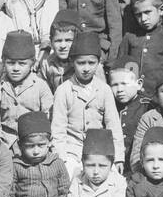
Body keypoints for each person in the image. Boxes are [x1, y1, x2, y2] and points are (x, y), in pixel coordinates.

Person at [49, 27, 125, 175]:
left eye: (91, 63)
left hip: (99, 149)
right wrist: (61, 158)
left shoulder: (104, 90)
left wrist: (118, 158)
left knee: (114, 180)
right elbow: (58, 130)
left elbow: (113, 125)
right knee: (70, 177)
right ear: (72, 62)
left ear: (98, 62)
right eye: (81, 63)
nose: (86, 68)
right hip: (72, 150)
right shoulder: (64, 90)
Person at [0, 30, 53, 146]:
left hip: (33, 143)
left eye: (22, 63)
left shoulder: (40, 86)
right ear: (4, 62)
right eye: (11, 63)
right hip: (6, 143)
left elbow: (48, 116)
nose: (16, 68)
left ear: (32, 63)